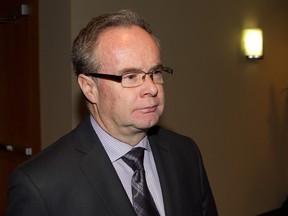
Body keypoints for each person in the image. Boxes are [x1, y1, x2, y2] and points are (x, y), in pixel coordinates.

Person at [6, 9, 218, 216]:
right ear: (89, 88)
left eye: (155, 73)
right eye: (130, 76)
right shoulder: (41, 186)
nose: (152, 88)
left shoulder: (185, 154)